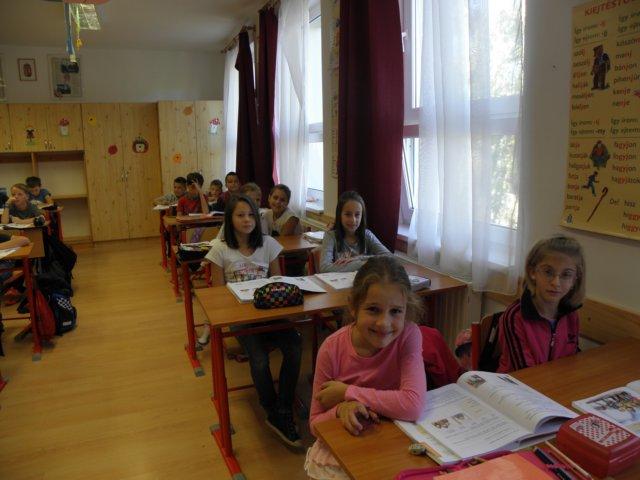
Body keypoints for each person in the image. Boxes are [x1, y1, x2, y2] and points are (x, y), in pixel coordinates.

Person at [306, 256, 426, 479]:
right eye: (373, 309)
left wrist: (348, 392)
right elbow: (315, 424)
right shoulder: (332, 349)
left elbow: (413, 405)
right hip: (346, 444)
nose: (384, 323)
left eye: (395, 311)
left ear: (406, 309)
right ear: (353, 306)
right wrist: (341, 409)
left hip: (391, 438)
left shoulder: (409, 335)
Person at [203, 194, 303, 448]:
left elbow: (278, 282)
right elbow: (217, 297)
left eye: (251, 215)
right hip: (240, 317)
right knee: (258, 358)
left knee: (294, 345)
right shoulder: (220, 250)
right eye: (240, 215)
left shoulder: (268, 244)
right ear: (230, 219)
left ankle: (284, 406)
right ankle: (270, 407)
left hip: (269, 313)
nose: (247, 220)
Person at [497, 235, 585, 373]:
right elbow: (525, 374)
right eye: (548, 272)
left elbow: (571, 361)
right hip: (518, 383)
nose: (556, 283)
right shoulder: (515, 317)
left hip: (557, 382)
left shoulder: (572, 315)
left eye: (566, 275)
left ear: (575, 279)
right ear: (533, 272)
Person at [319, 191, 390, 272]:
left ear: (362, 216)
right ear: (340, 215)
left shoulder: (367, 235)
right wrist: (364, 264)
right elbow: (324, 268)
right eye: (348, 214)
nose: (353, 220)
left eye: (357, 215)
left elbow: (389, 257)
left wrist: (359, 258)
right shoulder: (330, 236)